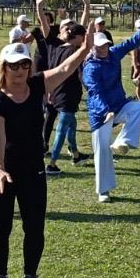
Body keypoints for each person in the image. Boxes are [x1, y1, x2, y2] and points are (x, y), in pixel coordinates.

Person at [0, 30, 91, 278]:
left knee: (34, 225)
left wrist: (85, 48)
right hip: (1, 172)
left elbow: (66, 67)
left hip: (32, 168)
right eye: (13, 66)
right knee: (0, 227)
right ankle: (0, 277)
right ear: (3, 69)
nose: (19, 70)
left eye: (24, 64)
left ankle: (29, 276)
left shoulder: (39, 85)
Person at [81, 7, 140, 205]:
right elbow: (95, 92)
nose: (105, 48)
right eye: (100, 46)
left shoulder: (113, 54)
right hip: (101, 113)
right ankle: (103, 191)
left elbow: (132, 42)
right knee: (102, 152)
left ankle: (123, 141)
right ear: (93, 48)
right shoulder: (90, 68)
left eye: (106, 44)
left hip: (120, 104)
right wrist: (106, 111)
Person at [44, 19, 90, 173]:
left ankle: (76, 155)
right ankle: (52, 164)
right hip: (67, 95)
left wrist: (50, 91)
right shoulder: (74, 52)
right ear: (78, 37)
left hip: (57, 93)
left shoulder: (58, 48)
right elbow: (80, 74)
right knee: (62, 130)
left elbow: (52, 70)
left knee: (72, 124)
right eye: (83, 37)